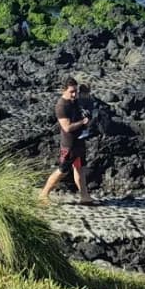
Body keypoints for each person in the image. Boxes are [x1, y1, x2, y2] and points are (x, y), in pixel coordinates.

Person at [39, 76, 95, 205]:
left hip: (79, 140)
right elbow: (67, 127)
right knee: (62, 170)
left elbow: (86, 99)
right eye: (71, 91)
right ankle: (43, 194)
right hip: (69, 144)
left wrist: (86, 91)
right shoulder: (61, 106)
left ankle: (85, 196)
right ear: (63, 90)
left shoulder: (74, 101)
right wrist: (82, 122)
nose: (74, 94)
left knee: (79, 168)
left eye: (76, 91)